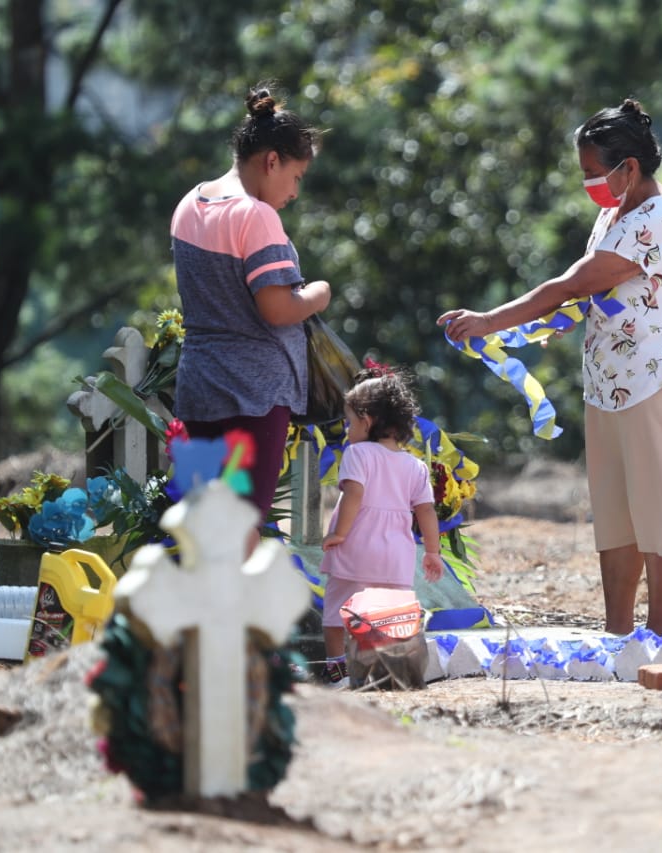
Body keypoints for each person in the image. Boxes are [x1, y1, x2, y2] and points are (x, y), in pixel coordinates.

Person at [438, 99, 662, 636]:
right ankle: (619, 636)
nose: (589, 184)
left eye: (594, 174)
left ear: (630, 168)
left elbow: (570, 283)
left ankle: (660, 635)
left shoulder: (657, 220)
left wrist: (490, 321)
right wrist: (559, 321)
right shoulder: (613, 212)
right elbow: (594, 293)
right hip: (612, 383)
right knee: (616, 518)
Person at [170, 81, 331, 525]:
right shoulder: (256, 215)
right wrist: (318, 294)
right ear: (272, 160)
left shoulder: (190, 203)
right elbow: (277, 310)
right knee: (242, 521)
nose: (295, 191)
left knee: (200, 520)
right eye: (295, 177)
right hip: (253, 395)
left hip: (200, 387)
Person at [318, 369, 445, 687]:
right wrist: (432, 551)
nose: (347, 430)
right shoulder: (415, 465)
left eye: (350, 421)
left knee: (337, 614)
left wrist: (340, 533)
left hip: (356, 549)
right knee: (391, 616)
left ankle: (340, 673)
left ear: (368, 420)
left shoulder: (358, 453)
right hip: (396, 556)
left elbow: (354, 495)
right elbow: (426, 511)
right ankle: (389, 673)